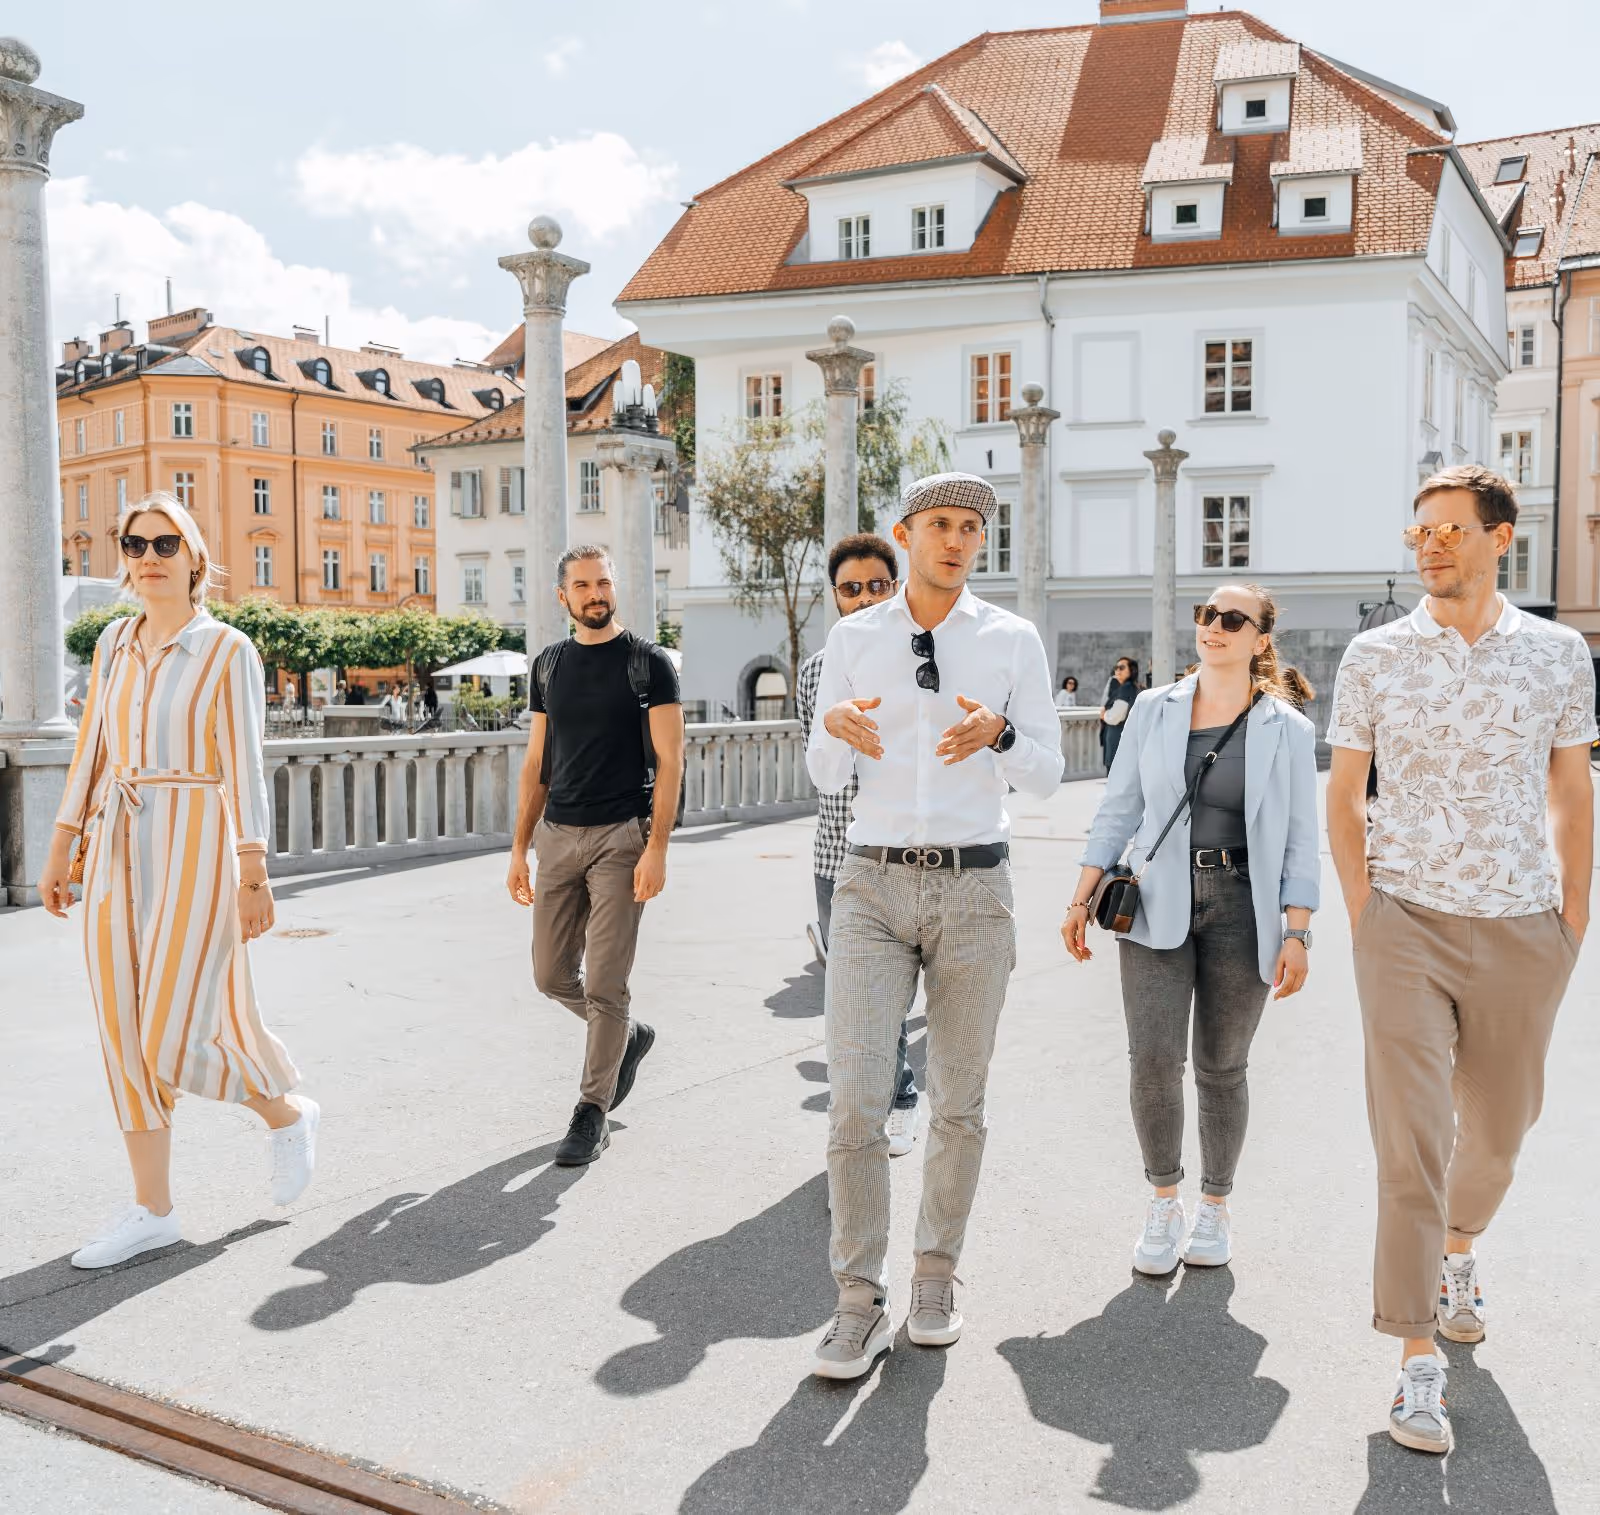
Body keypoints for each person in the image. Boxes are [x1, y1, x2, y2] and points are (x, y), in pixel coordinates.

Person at [1326, 465, 1595, 1456]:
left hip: (1525, 924)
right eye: (1418, 532)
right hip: (1403, 923)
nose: (1428, 545)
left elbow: (1573, 791)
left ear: (1498, 538)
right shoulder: (1373, 656)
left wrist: (1572, 916)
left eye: (1448, 529)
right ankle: (1414, 1362)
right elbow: (1346, 793)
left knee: (1499, 1131)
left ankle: (1458, 1254)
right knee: (1410, 1143)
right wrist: (1364, 915)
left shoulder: (1561, 654)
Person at [806, 472, 1064, 1379]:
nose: (956, 541)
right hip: (871, 887)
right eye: (939, 526)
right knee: (854, 1099)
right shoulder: (852, 637)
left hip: (974, 889)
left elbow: (1045, 774)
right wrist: (832, 724)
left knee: (959, 1101)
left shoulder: (1011, 639)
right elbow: (823, 772)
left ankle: (936, 1275)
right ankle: (854, 1300)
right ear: (903, 534)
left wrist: (998, 735)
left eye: (969, 529)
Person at [36, 492, 315, 1270]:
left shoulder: (227, 649)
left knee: (168, 1031)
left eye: (166, 543)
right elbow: (91, 746)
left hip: (197, 838)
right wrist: (62, 845)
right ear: (121, 556)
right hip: (115, 841)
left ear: (195, 557)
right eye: (135, 544)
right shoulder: (114, 644)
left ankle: (284, 1111)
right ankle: (152, 1209)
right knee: (123, 1035)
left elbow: (248, 766)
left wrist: (253, 868)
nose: (150, 557)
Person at [1063, 584, 1320, 1276]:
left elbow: (1300, 839)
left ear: (1260, 638)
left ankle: (1214, 1205)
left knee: (1221, 1065)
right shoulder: (1154, 708)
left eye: (1233, 619)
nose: (1214, 626)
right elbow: (1118, 808)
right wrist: (1080, 896)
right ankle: (1163, 1197)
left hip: (1245, 903)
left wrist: (1298, 931)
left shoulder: (1286, 728)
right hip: (1154, 898)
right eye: (1207, 614)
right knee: (1152, 1058)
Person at [507, 546, 684, 1168]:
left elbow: (670, 761)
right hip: (557, 835)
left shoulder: (648, 665)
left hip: (621, 837)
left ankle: (591, 1111)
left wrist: (657, 847)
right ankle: (626, 1036)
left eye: (603, 581)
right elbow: (536, 763)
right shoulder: (548, 666)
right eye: (582, 585)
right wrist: (518, 849)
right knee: (550, 975)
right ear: (564, 597)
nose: (595, 593)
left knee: (607, 983)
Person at [795, 533, 921, 1159]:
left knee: (889, 994)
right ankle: (862, 1117)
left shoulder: (923, 658)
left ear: (896, 586)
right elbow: (821, 763)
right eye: (852, 588)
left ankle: (896, 1098)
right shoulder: (818, 669)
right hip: (835, 853)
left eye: (878, 585)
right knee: (851, 998)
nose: (866, 597)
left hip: (900, 849)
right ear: (836, 597)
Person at [1099, 658, 1138, 771]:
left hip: (1118, 738)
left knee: (1115, 776)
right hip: (1122, 740)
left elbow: (1116, 716)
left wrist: (1105, 715)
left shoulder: (1126, 688)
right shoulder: (1129, 687)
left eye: (1122, 668)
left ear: (1132, 670)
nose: (1118, 671)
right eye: (1116, 668)